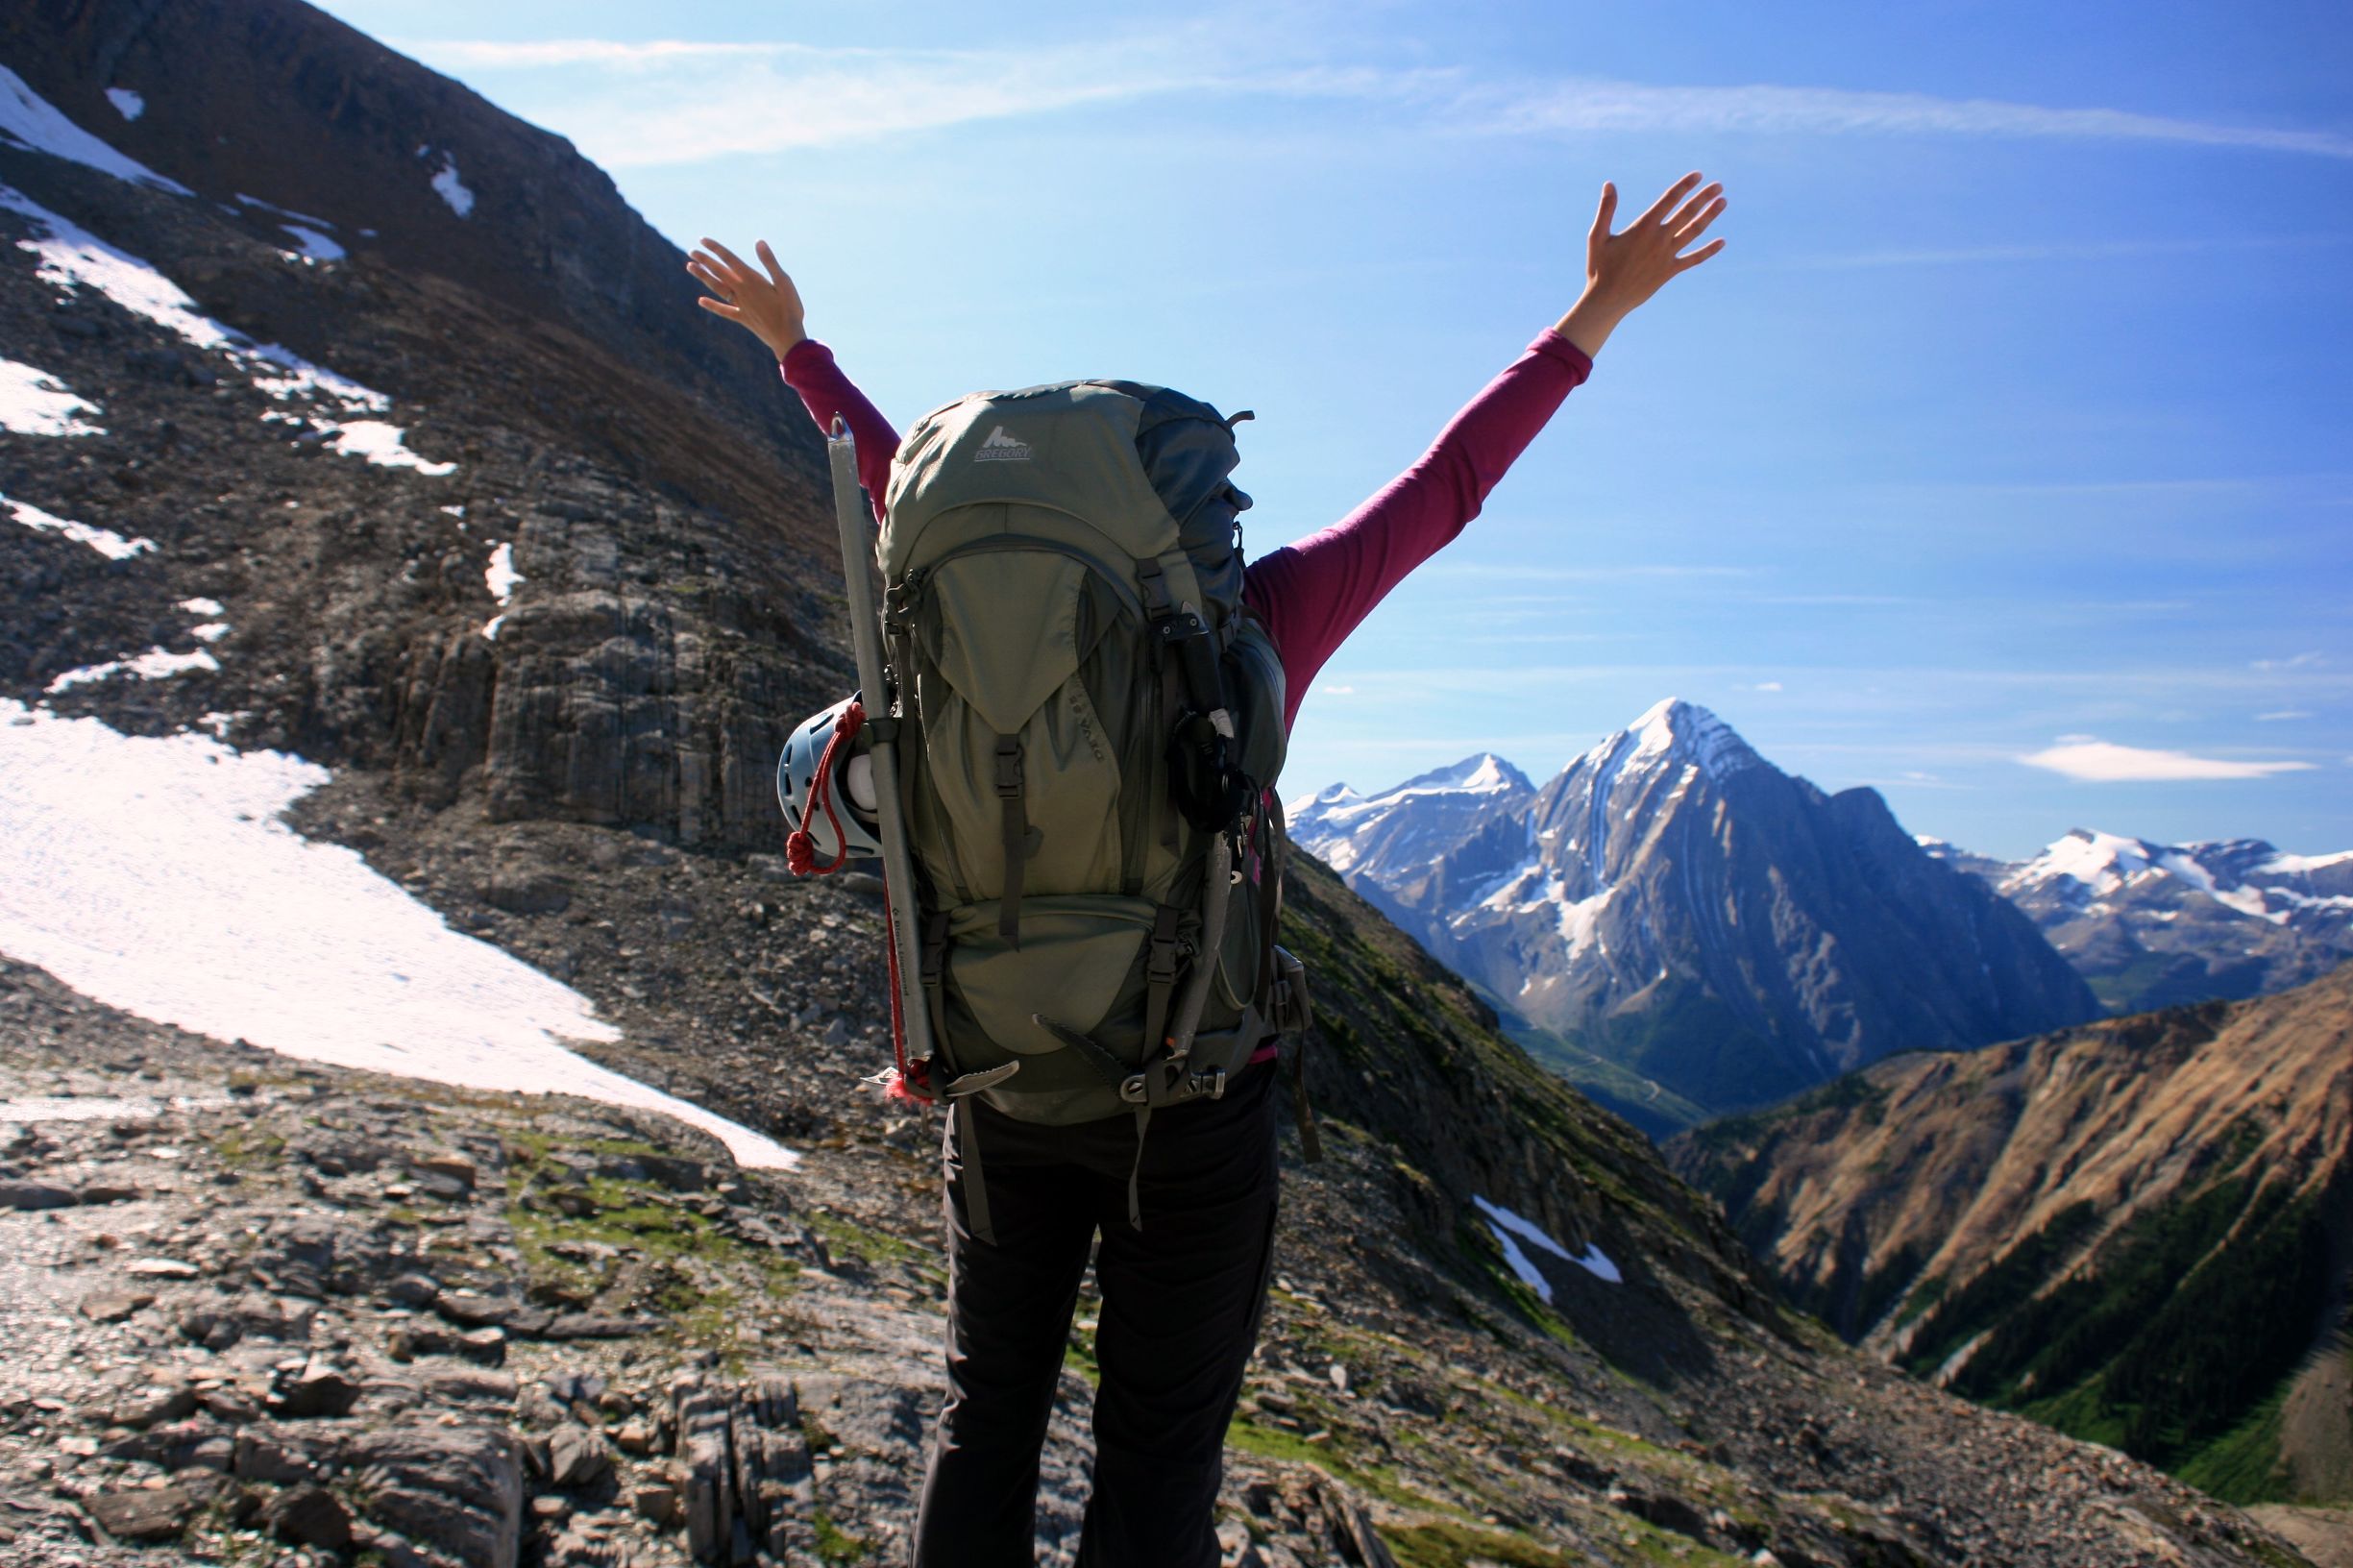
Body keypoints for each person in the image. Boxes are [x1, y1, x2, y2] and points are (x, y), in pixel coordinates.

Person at [689, 171, 1727, 1568]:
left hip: (994, 1081)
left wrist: (793, 347)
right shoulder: (1256, 624)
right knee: (1159, 1445)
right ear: (1186, 512)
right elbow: (1445, 490)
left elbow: (879, 468)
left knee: (985, 1411)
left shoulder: (942, 597)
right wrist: (1595, 309)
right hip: (1188, 1102)